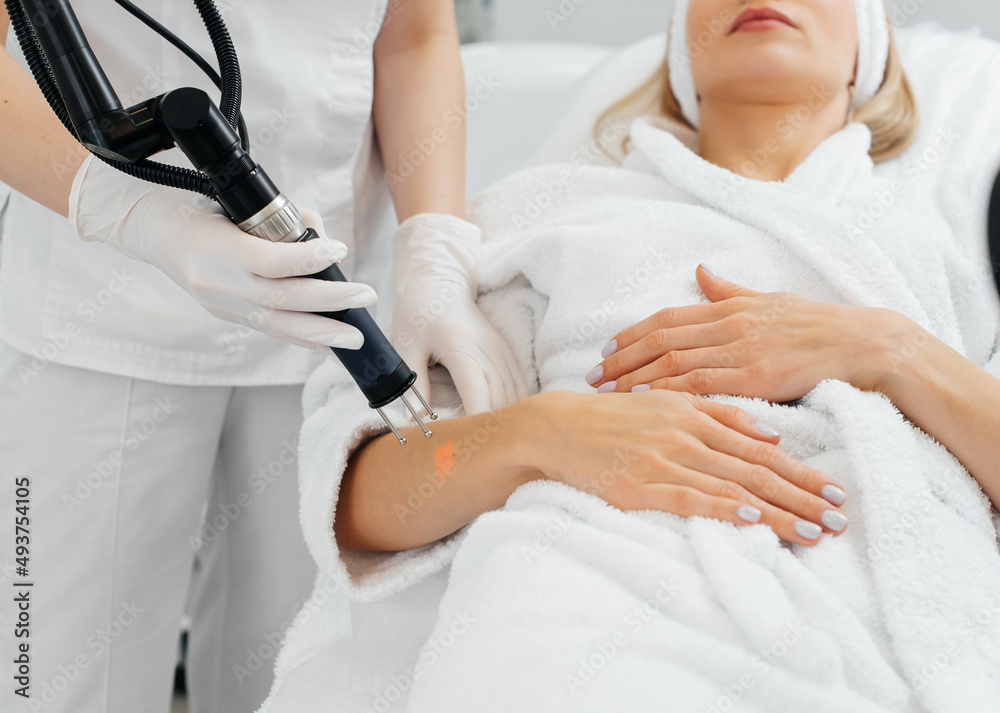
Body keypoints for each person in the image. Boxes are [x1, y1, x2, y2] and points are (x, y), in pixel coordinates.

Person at [273, 0, 1000, 707]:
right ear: (683, 55)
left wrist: (887, 348)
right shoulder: (552, 214)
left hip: (865, 607)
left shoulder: (947, 246)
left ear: (868, 52)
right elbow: (364, 497)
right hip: (584, 586)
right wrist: (537, 434)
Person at [0, 1, 524, 712]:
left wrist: (434, 249)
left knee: (295, 678)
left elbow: (414, 36)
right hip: (94, 314)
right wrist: (132, 214)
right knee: (63, 682)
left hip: (328, 314)